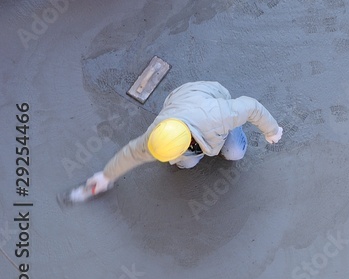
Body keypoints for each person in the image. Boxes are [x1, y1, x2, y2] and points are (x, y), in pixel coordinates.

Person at [74, 81, 282, 200]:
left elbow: (251, 106)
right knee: (187, 163)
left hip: (212, 98)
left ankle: (224, 143)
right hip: (181, 99)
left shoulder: (219, 116)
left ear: (187, 143)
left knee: (235, 152)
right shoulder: (157, 135)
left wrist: (272, 131)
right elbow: (131, 153)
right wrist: (106, 176)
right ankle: (196, 155)